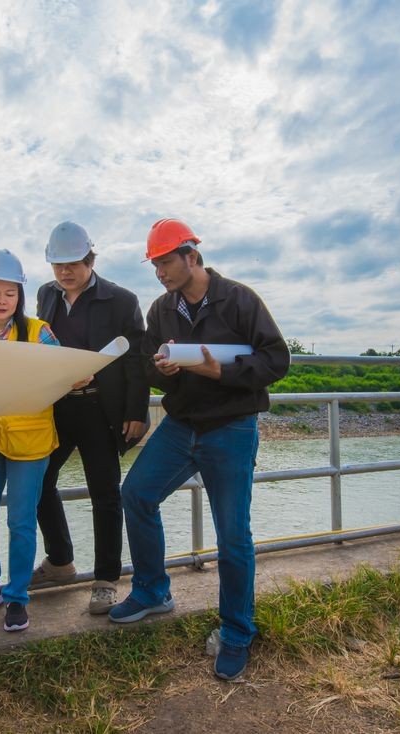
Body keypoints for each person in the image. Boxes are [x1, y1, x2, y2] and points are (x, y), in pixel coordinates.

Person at [108, 218, 290, 682]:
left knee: (232, 535)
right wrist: (161, 370)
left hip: (230, 427)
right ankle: (152, 591)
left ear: (192, 256)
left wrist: (222, 373)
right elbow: (150, 363)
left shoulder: (240, 299)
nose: (160, 272)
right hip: (180, 424)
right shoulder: (162, 309)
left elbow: (276, 359)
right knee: (137, 494)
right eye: (155, 264)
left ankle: (236, 630)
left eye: (166, 261)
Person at [0, 249, 80, 632]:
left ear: (20, 295)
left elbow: (61, 370)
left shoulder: (39, 331)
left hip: (29, 442)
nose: (2, 300)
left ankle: (17, 597)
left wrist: (76, 376)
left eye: (10, 293)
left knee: (21, 521)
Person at [33, 221, 150, 614]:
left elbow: (135, 358)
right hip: (58, 405)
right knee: (38, 480)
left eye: (73, 264)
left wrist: (136, 411)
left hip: (101, 407)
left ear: (90, 259)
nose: (65, 272)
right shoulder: (45, 295)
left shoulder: (120, 299)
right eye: (58, 265)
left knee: (105, 492)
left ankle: (105, 579)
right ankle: (61, 560)